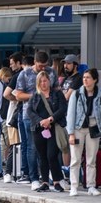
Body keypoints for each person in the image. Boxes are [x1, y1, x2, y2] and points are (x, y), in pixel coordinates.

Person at [66, 68, 101, 197]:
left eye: (88, 77)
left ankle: (91, 185)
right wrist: (71, 133)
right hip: (78, 128)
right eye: (84, 77)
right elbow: (70, 114)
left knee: (91, 159)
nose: (85, 80)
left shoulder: (100, 95)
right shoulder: (76, 94)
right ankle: (74, 186)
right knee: (75, 159)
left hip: (94, 127)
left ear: (95, 80)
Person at [15, 51, 59, 190]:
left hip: (50, 118)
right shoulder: (25, 74)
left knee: (50, 151)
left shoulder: (51, 72)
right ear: (35, 62)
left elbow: (57, 91)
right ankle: (33, 177)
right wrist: (36, 96)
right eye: (40, 66)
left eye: (45, 66)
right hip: (31, 116)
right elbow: (18, 95)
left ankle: (47, 178)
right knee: (33, 148)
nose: (43, 69)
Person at [27, 71, 67, 192]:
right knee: (42, 156)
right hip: (39, 129)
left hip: (54, 128)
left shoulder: (57, 94)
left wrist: (50, 119)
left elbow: (62, 109)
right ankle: (44, 182)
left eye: (45, 81)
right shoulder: (35, 96)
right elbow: (29, 111)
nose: (43, 83)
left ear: (49, 81)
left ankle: (56, 181)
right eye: (41, 81)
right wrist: (41, 121)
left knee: (52, 155)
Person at [3, 52, 24, 183]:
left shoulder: (17, 76)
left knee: (14, 145)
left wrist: (15, 99)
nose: (11, 67)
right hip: (16, 115)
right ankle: (11, 172)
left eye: (12, 64)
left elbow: (6, 94)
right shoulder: (18, 76)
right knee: (18, 145)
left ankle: (10, 172)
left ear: (18, 62)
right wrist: (18, 100)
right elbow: (6, 94)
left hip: (14, 115)